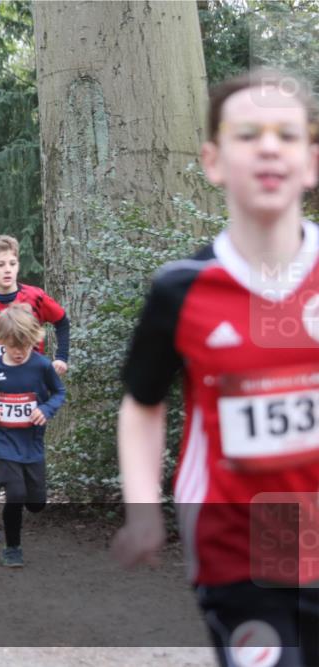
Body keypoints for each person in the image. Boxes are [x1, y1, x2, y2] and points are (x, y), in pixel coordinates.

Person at [113, 69, 318, 664]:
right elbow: (143, 404)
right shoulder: (182, 289)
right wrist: (144, 509)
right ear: (213, 160)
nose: (269, 146)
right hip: (240, 549)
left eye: (288, 133)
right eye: (247, 133)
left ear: (310, 162)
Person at [0, 235, 70, 543]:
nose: (7, 270)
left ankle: (25, 492)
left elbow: (62, 321)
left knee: (28, 449)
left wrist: (61, 358)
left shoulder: (34, 297)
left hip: (32, 389)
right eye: (0, 265)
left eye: (12, 263)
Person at [0, 304, 65, 567]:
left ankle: (25, 504)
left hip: (32, 445)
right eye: (13, 346)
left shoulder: (41, 366)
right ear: (1, 341)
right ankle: (12, 548)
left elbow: (58, 393)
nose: (18, 352)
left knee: (36, 503)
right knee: (15, 495)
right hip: (3, 445)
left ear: (33, 341)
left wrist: (46, 409)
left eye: (24, 346)